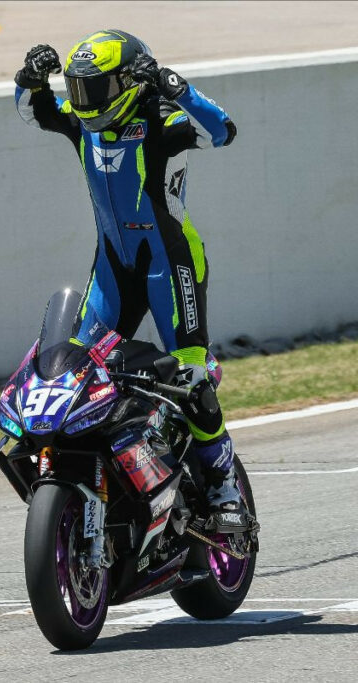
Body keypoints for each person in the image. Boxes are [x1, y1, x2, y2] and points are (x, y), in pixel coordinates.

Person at [14, 29, 244, 525]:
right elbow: (34, 111)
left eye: (95, 91)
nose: (83, 102)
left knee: (191, 375)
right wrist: (30, 81)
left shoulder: (162, 119)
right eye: (77, 89)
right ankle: (106, 470)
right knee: (72, 368)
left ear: (128, 84)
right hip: (113, 268)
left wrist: (173, 85)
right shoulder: (82, 125)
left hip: (171, 264)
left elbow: (222, 130)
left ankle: (224, 486)